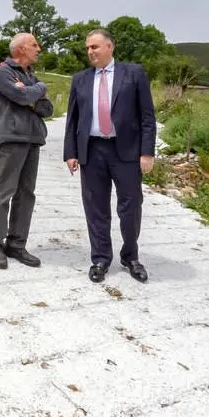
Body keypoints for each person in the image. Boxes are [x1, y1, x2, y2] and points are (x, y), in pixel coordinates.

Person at [63, 28, 156, 284]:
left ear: (110, 47)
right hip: (92, 151)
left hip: (125, 150)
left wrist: (147, 152)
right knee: (95, 208)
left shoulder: (133, 74)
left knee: (130, 206)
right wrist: (70, 152)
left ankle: (130, 256)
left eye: (94, 47)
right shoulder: (80, 79)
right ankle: (101, 258)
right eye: (87, 48)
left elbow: (147, 116)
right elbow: (73, 119)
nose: (90, 52)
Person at [0, 33, 54, 269]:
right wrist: (39, 89)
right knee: (5, 192)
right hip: (12, 139)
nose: (39, 48)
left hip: (33, 139)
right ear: (21, 49)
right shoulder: (3, 73)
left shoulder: (30, 76)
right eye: (34, 45)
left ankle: (16, 244)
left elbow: (47, 108)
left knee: (26, 194)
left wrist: (31, 93)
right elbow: (20, 95)